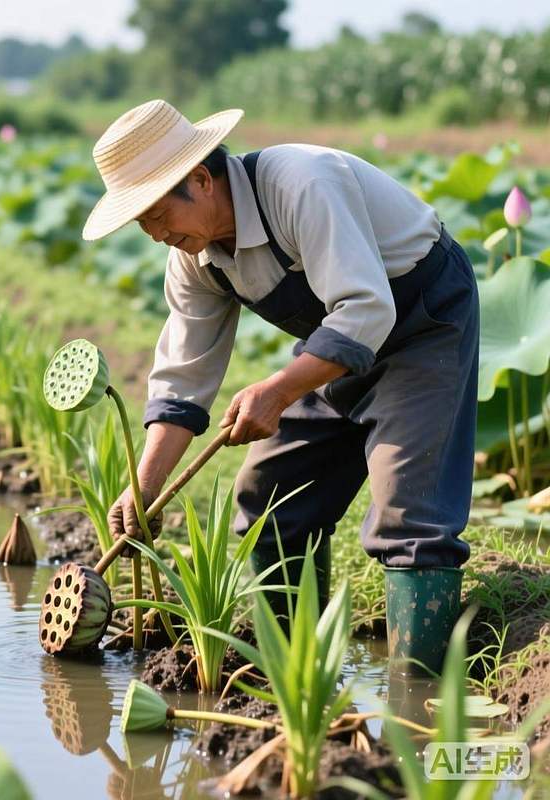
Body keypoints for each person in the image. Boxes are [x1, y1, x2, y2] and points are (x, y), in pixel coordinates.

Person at [83, 100, 479, 674]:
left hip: (421, 325)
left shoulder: (301, 183)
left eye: (158, 214)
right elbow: (185, 375)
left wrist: (277, 391)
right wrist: (145, 486)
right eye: (142, 224)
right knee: (271, 497)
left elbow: (367, 309)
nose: (157, 234)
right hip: (334, 345)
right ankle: (298, 675)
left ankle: (418, 697)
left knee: (410, 512)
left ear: (200, 179)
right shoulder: (194, 257)